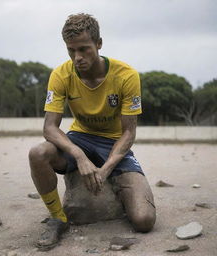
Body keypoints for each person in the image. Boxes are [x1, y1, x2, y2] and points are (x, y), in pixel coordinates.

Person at [29, 13, 156, 251]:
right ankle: (59, 218)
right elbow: (49, 128)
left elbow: (128, 133)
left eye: (84, 49)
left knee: (144, 220)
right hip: (80, 139)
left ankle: (119, 195)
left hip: (114, 142)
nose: (78, 57)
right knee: (38, 153)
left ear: (99, 43)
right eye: (71, 50)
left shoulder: (126, 75)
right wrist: (79, 155)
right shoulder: (60, 74)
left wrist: (106, 169)